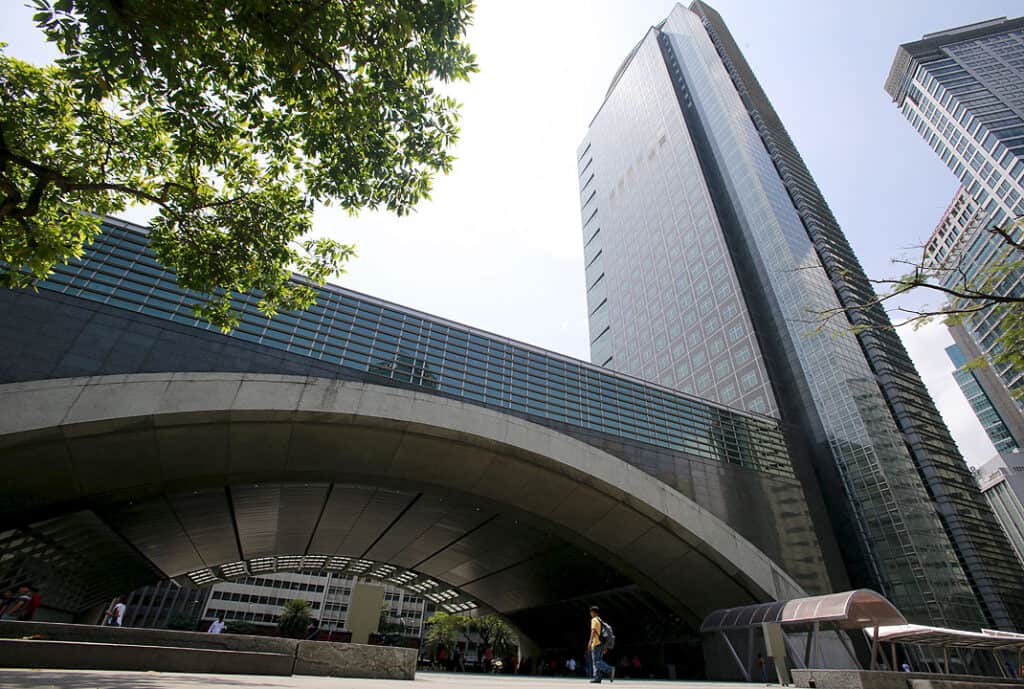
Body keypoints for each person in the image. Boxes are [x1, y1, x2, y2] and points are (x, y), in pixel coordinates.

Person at [587, 605, 615, 684]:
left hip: (596, 643)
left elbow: (593, 631)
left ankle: (609, 669)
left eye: (591, 612)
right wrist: (605, 646)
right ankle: (597, 678)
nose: (590, 613)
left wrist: (590, 641)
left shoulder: (594, 620)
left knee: (596, 661)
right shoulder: (600, 620)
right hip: (602, 643)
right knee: (598, 660)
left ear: (593, 612)